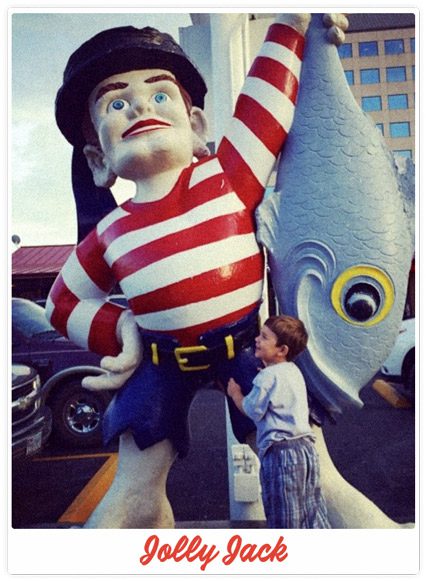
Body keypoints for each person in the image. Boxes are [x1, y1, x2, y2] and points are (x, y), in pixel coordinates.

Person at [47, 14, 348, 528]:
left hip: (251, 348)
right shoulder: (111, 232)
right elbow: (61, 303)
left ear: (197, 126)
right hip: (160, 364)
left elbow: (262, 109)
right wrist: (124, 331)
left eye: (160, 95)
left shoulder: (226, 177)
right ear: (98, 156)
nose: (140, 106)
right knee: (136, 484)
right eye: (115, 103)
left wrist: (290, 25)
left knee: (309, 464)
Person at [227, 315, 330, 528]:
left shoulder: (266, 378)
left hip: (282, 455)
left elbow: (252, 409)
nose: (257, 339)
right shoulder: (293, 372)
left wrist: (236, 394)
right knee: (311, 512)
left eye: (264, 337)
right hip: (307, 451)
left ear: (281, 350)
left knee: (284, 517)